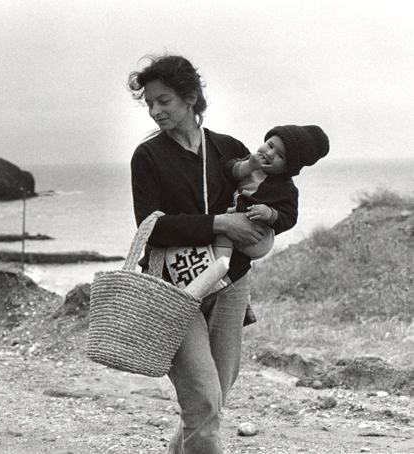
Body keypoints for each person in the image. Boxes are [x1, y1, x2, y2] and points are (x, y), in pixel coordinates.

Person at [128, 54, 266, 454]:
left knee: (216, 393)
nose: (155, 111)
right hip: (174, 290)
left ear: (190, 97)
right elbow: (152, 227)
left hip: (229, 283)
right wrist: (220, 224)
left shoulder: (229, 150)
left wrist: (267, 220)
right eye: (150, 103)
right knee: (204, 399)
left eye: (164, 100)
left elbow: (267, 200)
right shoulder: (148, 157)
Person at [213, 124, 330, 262]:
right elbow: (227, 170)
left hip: (258, 238)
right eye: (270, 145)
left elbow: (290, 217)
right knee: (220, 237)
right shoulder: (250, 161)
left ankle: (217, 270)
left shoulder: (286, 188)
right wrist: (248, 166)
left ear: (288, 168)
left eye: (280, 155)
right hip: (232, 222)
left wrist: (269, 214)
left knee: (222, 240)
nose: (269, 154)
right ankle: (219, 266)